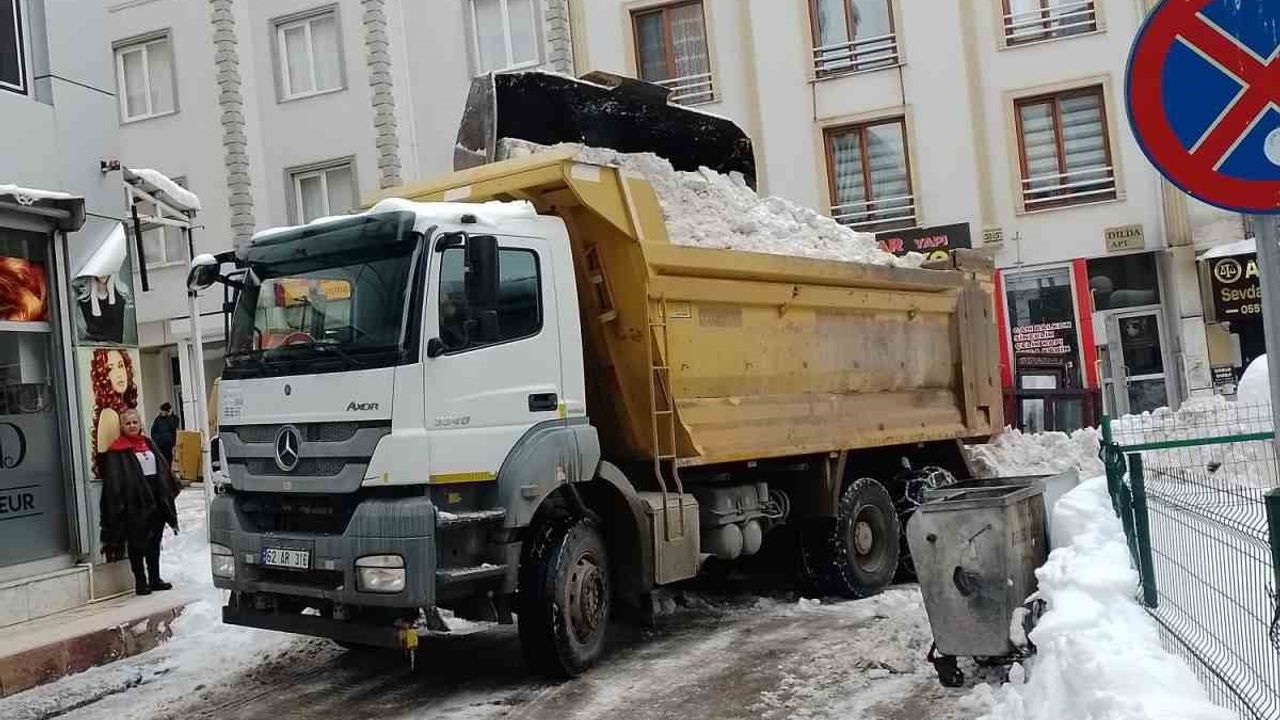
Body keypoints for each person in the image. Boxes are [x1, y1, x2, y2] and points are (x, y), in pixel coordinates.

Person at [99, 408, 180, 595]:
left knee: (155, 541)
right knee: (137, 543)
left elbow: (162, 468)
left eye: (135, 422)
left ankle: (155, 578)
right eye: (127, 423)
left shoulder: (149, 443)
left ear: (140, 423)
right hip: (135, 501)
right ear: (122, 427)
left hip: (156, 498)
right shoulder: (117, 449)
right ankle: (141, 582)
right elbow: (115, 480)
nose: (132, 426)